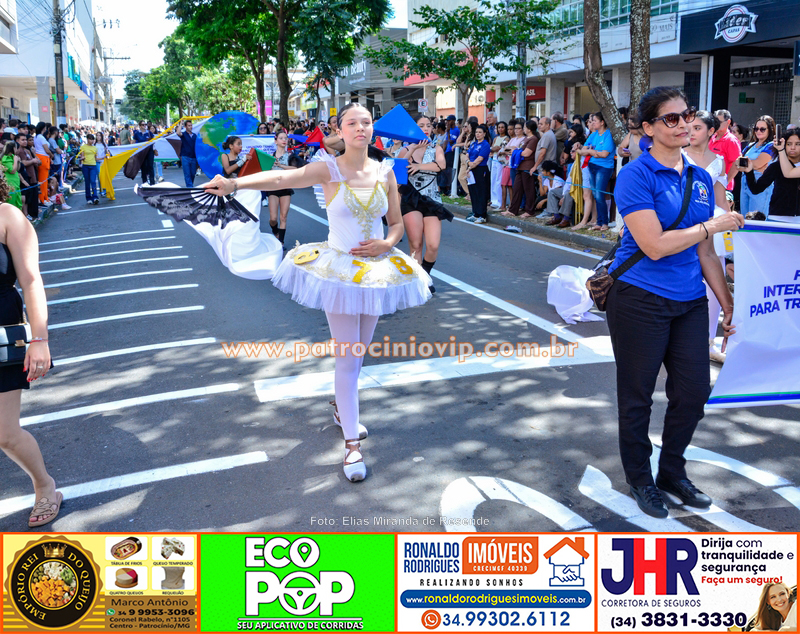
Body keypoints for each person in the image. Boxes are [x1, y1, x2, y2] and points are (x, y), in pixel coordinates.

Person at [202, 102, 431, 482]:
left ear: (373, 129)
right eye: (352, 123)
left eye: (366, 122)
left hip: (375, 273)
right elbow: (280, 178)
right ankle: (352, 447)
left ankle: (344, 410)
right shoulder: (329, 168)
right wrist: (234, 183)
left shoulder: (386, 172)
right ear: (339, 130)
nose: (360, 128)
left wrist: (388, 244)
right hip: (338, 272)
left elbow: (395, 224)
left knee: (359, 355)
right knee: (348, 357)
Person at [607, 86, 744, 519]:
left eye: (686, 116)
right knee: (638, 397)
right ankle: (639, 479)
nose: (683, 124)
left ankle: (671, 472)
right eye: (671, 118)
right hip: (639, 300)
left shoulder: (701, 178)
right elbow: (654, 245)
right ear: (647, 128)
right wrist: (713, 226)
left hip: (688, 301)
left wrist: (726, 300)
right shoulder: (635, 175)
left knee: (693, 392)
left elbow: (705, 253)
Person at [0, 171, 60, 527]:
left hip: (3, 332)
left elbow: (32, 280)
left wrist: (39, 339)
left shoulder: (7, 216)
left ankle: (45, 486)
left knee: (5, 433)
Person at [684, 110, 732, 365]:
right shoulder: (678, 155)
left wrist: (729, 220)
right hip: (684, 226)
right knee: (685, 280)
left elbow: (721, 198)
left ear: (711, 131)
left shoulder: (719, 160)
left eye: (697, 128)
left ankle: (708, 343)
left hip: (714, 226)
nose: (691, 132)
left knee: (714, 285)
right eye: (689, 127)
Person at [397, 114, 450, 292]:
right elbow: (397, 172)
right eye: (421, 125)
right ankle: (419, 282)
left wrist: (419, 166)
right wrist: (411, 151)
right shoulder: (405, 149)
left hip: (432, 199)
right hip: (410, 199)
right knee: (416, 244)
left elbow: (441, 165)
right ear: (414, 128)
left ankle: (424, 274)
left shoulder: (436, 149)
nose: (426, 128)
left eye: (429, 125)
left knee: (433, 245)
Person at [743, 129, 800, 219]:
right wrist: (749, 172)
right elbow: (756, 189)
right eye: (789, 144)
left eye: (797, 144)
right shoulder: (776, 166)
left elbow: (788, 173)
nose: (793, 147)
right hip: (777, 217)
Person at [737, 116, 776, 216]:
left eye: (762, 129)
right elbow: (738, 163)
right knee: (745, 218)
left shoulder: (771, 145)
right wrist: (755, 166)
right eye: (756, 129)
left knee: (757, 218)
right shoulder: (750, 146)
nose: (758, 131)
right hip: (745, 182)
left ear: (770, 130)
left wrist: (749, 164)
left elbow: (758, 162)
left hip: (760, 185)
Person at [267, 131, 296, 246]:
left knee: (283, 217)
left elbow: (295, 169)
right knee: (273, 218)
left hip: (286, 187)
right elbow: (264, 170)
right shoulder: (270, 157)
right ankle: (275, 231)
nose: (284, 140)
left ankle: (281, 242)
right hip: (273, 188)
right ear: (276, 141)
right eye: (281, 138)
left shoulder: (290, 155)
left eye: (286, 138)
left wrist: (281, 166)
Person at [506, 119, 539, 218]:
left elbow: (526, 153)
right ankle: (513, 209)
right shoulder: (526, 139)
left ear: (529, 129)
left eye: (524, 127)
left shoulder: (533, 139)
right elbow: (518, 150)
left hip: (527, 167)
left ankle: (530, 211)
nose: (524, 129)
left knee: (528, 190)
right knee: (517, 188)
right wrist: (516, 151)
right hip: (520, 166)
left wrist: (514, 151)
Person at [465, 124, 491, 224]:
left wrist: (470, 165)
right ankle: (475, 213)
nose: (478, 134)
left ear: (484, 133)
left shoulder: (485, 145)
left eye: (480, 132)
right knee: (473, 192)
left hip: (481, 170)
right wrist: (468, 164)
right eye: (476, 132)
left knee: (481, 193)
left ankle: (482, 215)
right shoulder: (473, 144)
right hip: (471, 170)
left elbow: (479, 159)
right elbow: (467, 155)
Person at [709, 109, 741, 190]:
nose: (716, 124)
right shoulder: (712, 137)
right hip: (710, 185)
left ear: (728, 122)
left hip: (723, 187)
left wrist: (725, 182)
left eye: (719, 122)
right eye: (715, 121)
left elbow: (736, 163)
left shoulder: (731, 140)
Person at [499, 119, 524, 216]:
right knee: (512, 185)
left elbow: (517, 151)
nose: (516, 130)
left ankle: (520, 205)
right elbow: (506, 149)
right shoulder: (513, 139)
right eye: (515, 129)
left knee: (516, 186)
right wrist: (512, 150)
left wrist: (512, 150)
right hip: (510, 163)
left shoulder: (523, 139)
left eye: (518, 128)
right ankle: (512, 206)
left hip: (517, 165)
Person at [15, 135, 39, 220]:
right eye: (23, 140)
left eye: (26, 140)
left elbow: (37, 161)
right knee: (27, 198)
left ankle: (33, 215)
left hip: (32, 175)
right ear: (17, 141)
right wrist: (33, 161)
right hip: (26, 177)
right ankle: (29, 215)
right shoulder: (18, 152)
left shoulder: (27, 150)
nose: (25, 141)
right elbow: (23, 163)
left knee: (32, 197)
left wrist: (34, 158)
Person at [489, 121, 509, 210]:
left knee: (498, 180)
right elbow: (492, 148)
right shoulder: (495, 138)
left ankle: (499, 201)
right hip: (494, 159)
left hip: (500, 160)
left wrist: (494, 149)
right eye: (499, 127)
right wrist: (493, 149)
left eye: (502, 127)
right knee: (493, 179)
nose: (500, 129)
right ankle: (493, 200)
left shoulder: (507, 138)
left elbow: (499, 148)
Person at [33, 122, 52, 207]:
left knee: (43, 180)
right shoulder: (41, 137)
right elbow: (47, 149)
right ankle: (43, 199)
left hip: (40, 157)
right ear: (43, 128)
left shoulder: (36, 137)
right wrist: (52, 155)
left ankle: (44, 197)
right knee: (43, 180)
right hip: (43, 158)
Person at [77, 134, 99, 205]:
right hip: (85, 166)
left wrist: (104, 157)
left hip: (93, 165)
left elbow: (96, 158)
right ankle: (88, 198)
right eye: (90, 139)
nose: (91, 141)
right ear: (87, 139)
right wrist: (82, 158)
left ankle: (95, 197)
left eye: (93, 139)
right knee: (87, 182)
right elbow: (82, 156)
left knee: (93, 181)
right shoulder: (83, 147)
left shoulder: (95, 148)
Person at [177, 120, 199, 187]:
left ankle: (190, 186)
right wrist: (181, 123)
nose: (190, 127)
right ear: (185, 127)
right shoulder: (183, 134)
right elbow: (178, 132)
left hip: (193, 157)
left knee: (193, 174)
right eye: (189, 125)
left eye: (191, 125)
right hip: (185, 157)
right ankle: (190, 187)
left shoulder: (195, 135)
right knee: (187, 174)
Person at [1, 142, 23, 210]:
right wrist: (15, 160)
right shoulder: (6, 158)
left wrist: (18, 161)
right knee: (11, 204)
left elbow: (17, 169)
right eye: (16, 148)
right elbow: (12, 171)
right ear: (13, 148)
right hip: (10, 184)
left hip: (15, 184)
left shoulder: (13, 157)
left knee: (18, 202)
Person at [133, 121, 155, 185]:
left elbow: (153, 141)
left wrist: (154, 149)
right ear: (140, 126)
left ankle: (152, 182)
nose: (144, 126)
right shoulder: (137, 133)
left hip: (149, 151)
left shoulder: (149, 132)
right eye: (143, 125)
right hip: (142, 152)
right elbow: (133, 142)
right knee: (143, 167)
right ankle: (145, 182)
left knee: (150, 166)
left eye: (145, 124)